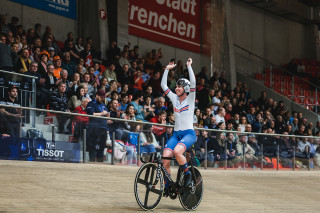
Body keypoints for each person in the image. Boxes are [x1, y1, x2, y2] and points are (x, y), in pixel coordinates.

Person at [160, 57, 196, 193]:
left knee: (177, 152)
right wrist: (166, 70)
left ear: (185, 88)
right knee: (165, 157)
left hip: (188, 134)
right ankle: (168, 185)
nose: (177, 88)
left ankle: (187, 174)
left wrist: (189, 67)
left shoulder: (190, 99)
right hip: (176, 134)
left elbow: (193, 82)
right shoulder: (174, 98)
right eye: (176, 86)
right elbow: (164, 86)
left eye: (179, 86)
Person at [86, 89, 110, 161]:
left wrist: (108, 114)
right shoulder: (91, 103)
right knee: (92, 146)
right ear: (97, 95)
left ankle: (100, 161)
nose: (103, 99)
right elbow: (90, 114)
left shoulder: (103, 105)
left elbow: (107, 114)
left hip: (103, 128)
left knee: (102, 146)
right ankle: (92, 161)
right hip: (94, 127)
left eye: (104, 98)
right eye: (102, 97)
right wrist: (101, 114)